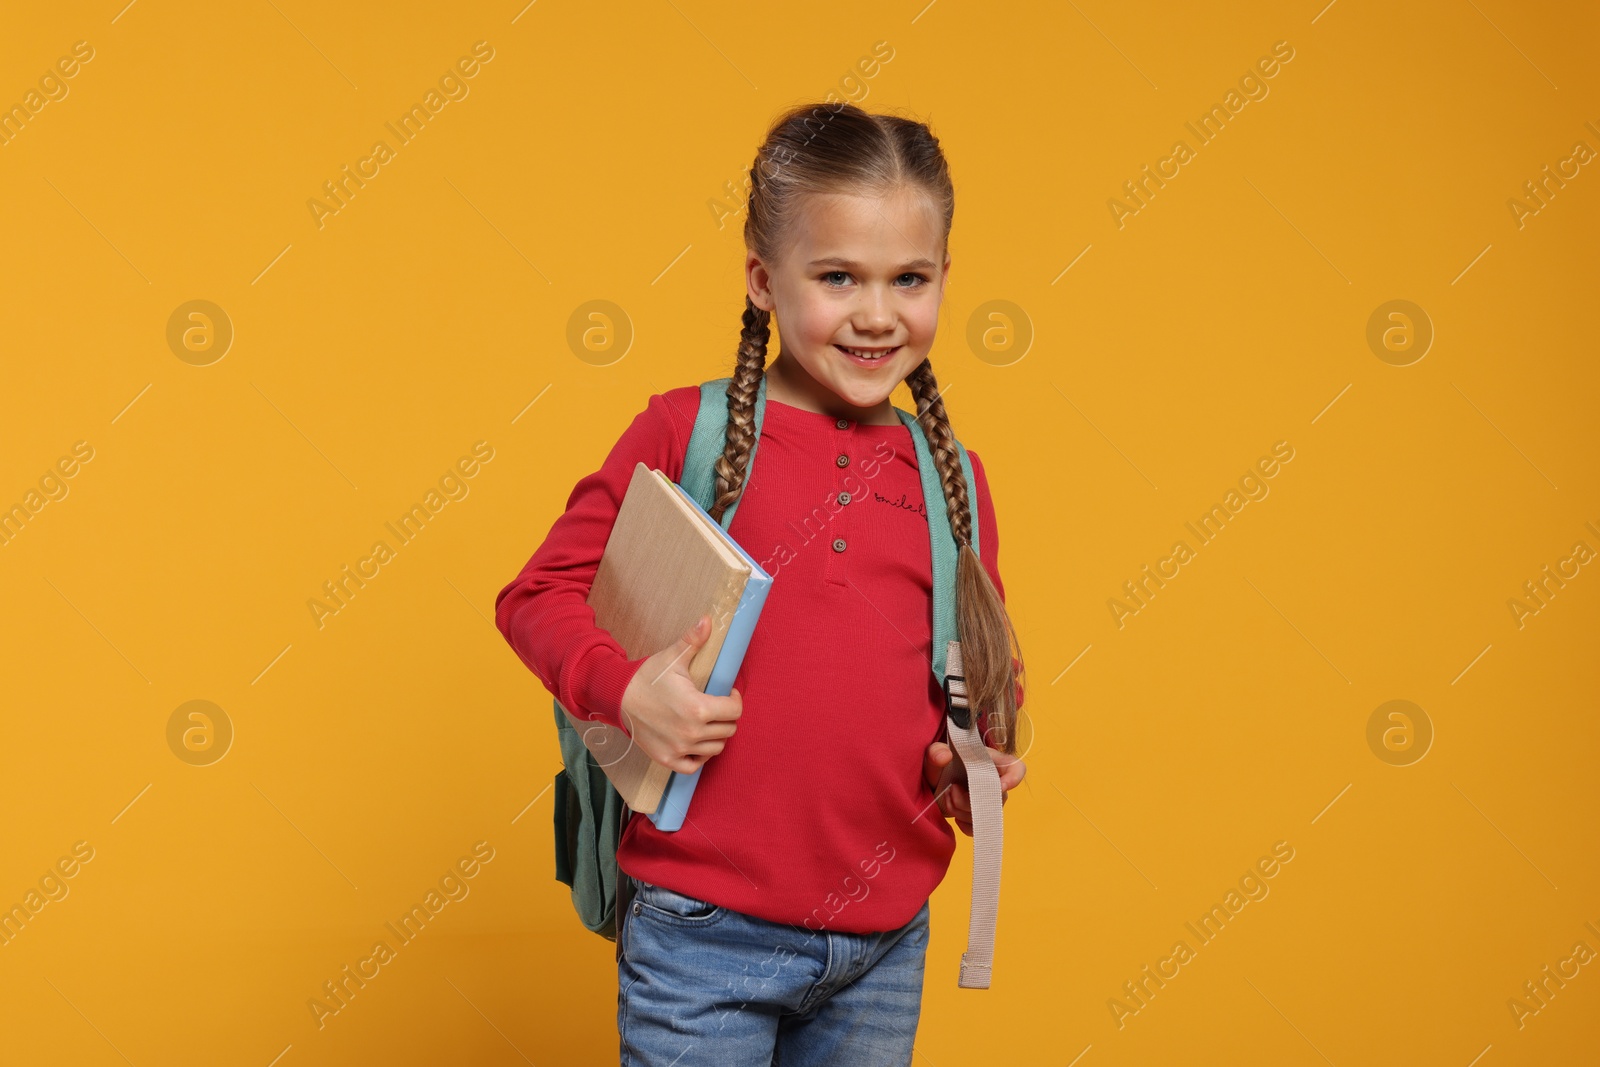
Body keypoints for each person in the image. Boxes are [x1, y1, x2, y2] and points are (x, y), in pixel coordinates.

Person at [494, 100, 1028, 1067]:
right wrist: (626, 693)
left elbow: (982, 662)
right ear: (762, 279)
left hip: (883, 938)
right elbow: (536, 596)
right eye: (837, 277)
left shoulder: (953, 476)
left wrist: (977, 756)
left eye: (908, 278)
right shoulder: (680, 433)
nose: (876, 312)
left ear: (945, 279)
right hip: (702, 936)